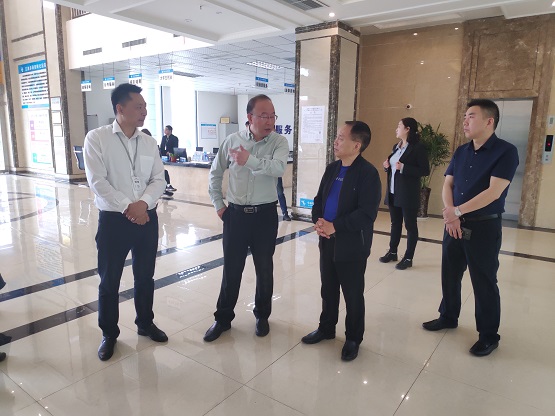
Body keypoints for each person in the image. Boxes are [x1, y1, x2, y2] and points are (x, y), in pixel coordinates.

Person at [422, 99, 519, 357]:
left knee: (484, 280)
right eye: (465, 116)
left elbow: (493, 192)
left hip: (484, 227)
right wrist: (451, 215)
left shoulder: (506, 151)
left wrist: (457, 212)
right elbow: (448, 184)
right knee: (450, 273)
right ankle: (448, 316)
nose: (465, 121)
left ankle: (488, 335)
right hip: (454, 224)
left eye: (471, 116)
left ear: (489, 121)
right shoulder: (461, 151)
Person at [84, 83, 168, 361]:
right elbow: (98, 182)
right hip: (114, 221)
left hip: (147, 218)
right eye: (139, 106)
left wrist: (143, 204)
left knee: (145, 276)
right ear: (120, 109)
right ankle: (109, 333)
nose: (144, 111)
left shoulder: (149, 142)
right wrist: (128, 207)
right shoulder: (97, 138)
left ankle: (145, 323)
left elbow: (158, 179)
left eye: (145, 107)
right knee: (110, 280)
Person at [203, 95, 289, 342]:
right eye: (264, 115)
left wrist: (248, 160)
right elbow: (215, 173)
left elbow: (278, 168)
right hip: (236, 216)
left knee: (264, 269)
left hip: (265, 216)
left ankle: (262, 316)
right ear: (250, 117)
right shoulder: (232, 140)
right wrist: (219, 205)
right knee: (231, 269)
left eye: (272, 116)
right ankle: (223, 319)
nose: (270, 121)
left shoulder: (279, 142)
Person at [301, 121, 381, 361]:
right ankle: (326, 328)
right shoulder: (332, 168)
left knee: (352, 293)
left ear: (357, 145)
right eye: (336, 136)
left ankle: (353, 338)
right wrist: (319, 221)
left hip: (352, 244)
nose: (335, 141)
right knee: (328, 288)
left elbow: (367, 214)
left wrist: (335, 225)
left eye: (341, 138)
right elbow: (319, 199)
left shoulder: (368, 174)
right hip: (327, 240)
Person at [380, 118, 430, 270]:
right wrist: (386, 166)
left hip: (408, 194)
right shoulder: (396, 147)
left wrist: (404, 168)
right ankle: (392, 252)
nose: (396, 129)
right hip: (393, 192)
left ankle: (408, 257)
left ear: (407, 129)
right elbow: (393, 168)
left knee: (410, 225)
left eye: (399, 126)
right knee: (395, 223)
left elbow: (425, 170)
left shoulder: (418, 148)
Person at [142, 128, 175, 198]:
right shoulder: (140, 147)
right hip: (144, 170)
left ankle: (166, 187)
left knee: (164, 172)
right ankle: (165, 188)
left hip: (150, 168)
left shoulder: (150, 146)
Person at [159, 126, 178, 193]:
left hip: (171, 156)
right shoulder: (164, 138)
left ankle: (167, 187)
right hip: (163, 156)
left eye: (166, 129)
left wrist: (170, 153)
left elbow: (175, 148)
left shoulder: (174, 138)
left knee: (165, 172)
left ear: (170, 130)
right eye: (164, 129)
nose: (165, 131)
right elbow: (161, 146)